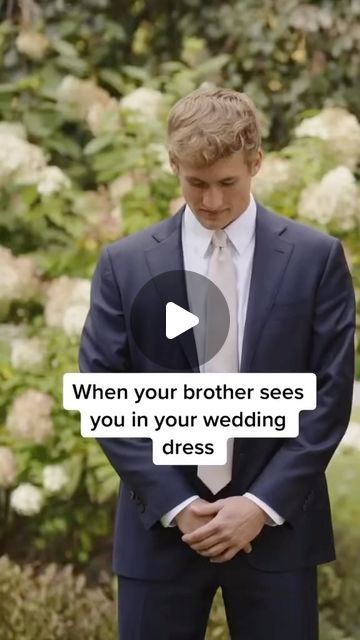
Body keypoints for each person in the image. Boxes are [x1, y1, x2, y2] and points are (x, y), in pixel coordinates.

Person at [78, 87, 355, 640]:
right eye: (196, 184)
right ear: (173, 164)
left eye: (228, 183)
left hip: (277, 531)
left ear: (256, 162)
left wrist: (259, 505)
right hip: (161, 532)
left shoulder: (315, 258)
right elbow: (104, 393)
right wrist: (178, 505)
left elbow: (329, 397)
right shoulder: (124, 265)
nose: (211, 202)